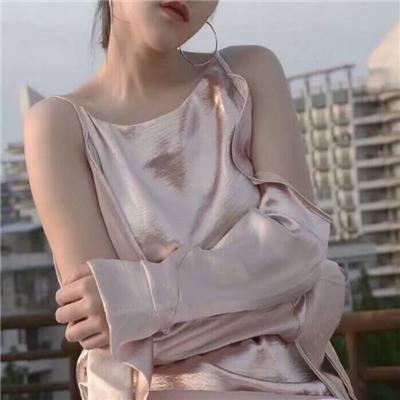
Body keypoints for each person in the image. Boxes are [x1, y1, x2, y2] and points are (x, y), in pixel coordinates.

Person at [24, 1, 357, 399]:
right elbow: (110, 340)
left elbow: (300, 251)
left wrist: (144, 297)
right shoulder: (58, 126)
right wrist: (286, 303)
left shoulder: (247, 77)